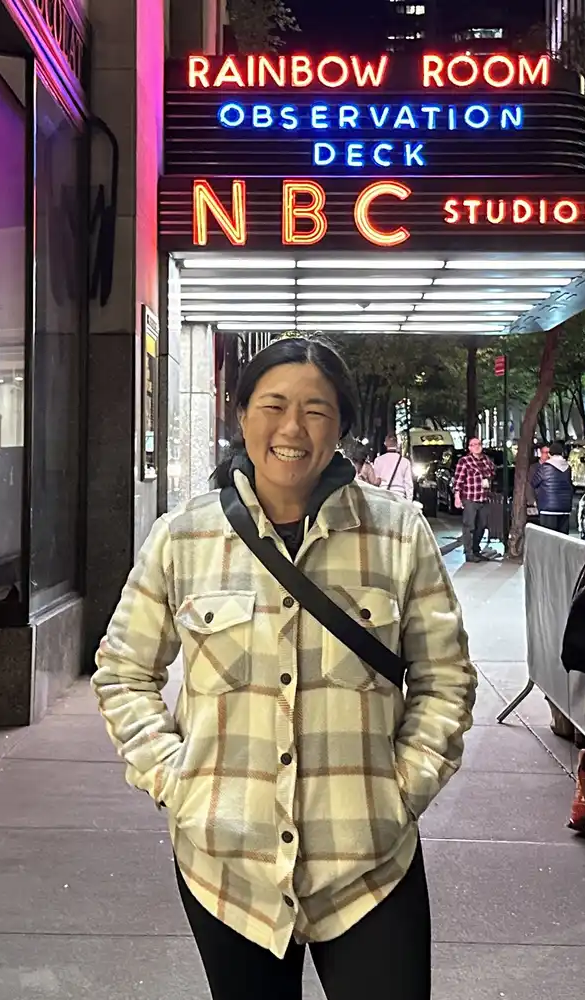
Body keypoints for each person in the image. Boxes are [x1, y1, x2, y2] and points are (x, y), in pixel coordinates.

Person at [93, 338, 477, 1000]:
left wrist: (402, 791)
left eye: (316, 410)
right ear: (240, 416)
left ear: (342, 427)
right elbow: (123, 673)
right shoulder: (182, 537)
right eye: (273, 405)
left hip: (368, 866)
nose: (292, 428)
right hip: (227, 869)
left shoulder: (399, 536)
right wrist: (177, 784)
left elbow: (446, 681)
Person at [452, 438, 497, 562]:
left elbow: (493, 473)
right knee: (469, 526)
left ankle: (476, 550)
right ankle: (469, 552)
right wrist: (457, 496)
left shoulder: (486, 460)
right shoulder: (464, 461)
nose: (477, 446)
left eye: (478, 444)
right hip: (470, 498)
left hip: (484, 497)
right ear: (470, 448)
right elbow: (458, 480)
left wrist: (488, 479)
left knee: (481, 526)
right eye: (473, 445)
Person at [529, 442, 574, 533]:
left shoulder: (545, 467)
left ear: (550, 454)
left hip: (548, 509)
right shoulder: (568, 467)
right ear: (562, 453)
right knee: (563, 538)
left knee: (549, 537)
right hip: (564, 509)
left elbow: (534, 483)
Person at [370, 434, 413, 503]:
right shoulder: (405, 461)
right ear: (397, 444)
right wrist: (409, 502)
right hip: (399, 496)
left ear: (385, 444)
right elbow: (408, 483)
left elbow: (376, 481)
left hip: (383, 495)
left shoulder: (378, 460)